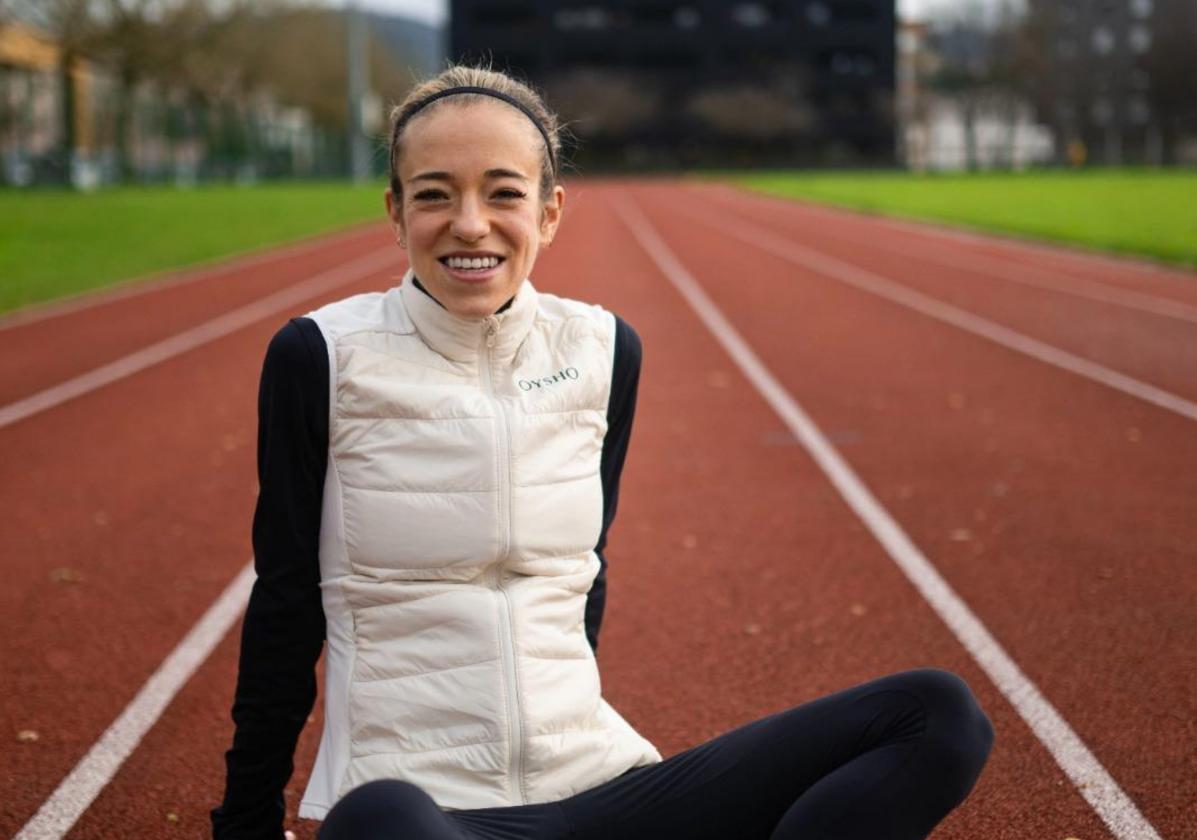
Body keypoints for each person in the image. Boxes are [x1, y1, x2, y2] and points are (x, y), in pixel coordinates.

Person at [212, 64, 995, 840]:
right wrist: (245, 821)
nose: (471, 223)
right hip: (433, 812)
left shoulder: (602, 348)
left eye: (504, 192)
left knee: (934, 713)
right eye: (434, 194)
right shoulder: (322, 356)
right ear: (395, 211)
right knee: (377, 820)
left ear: (550, 213)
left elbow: (585, 570)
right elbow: (286, 598)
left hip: (602, 791)